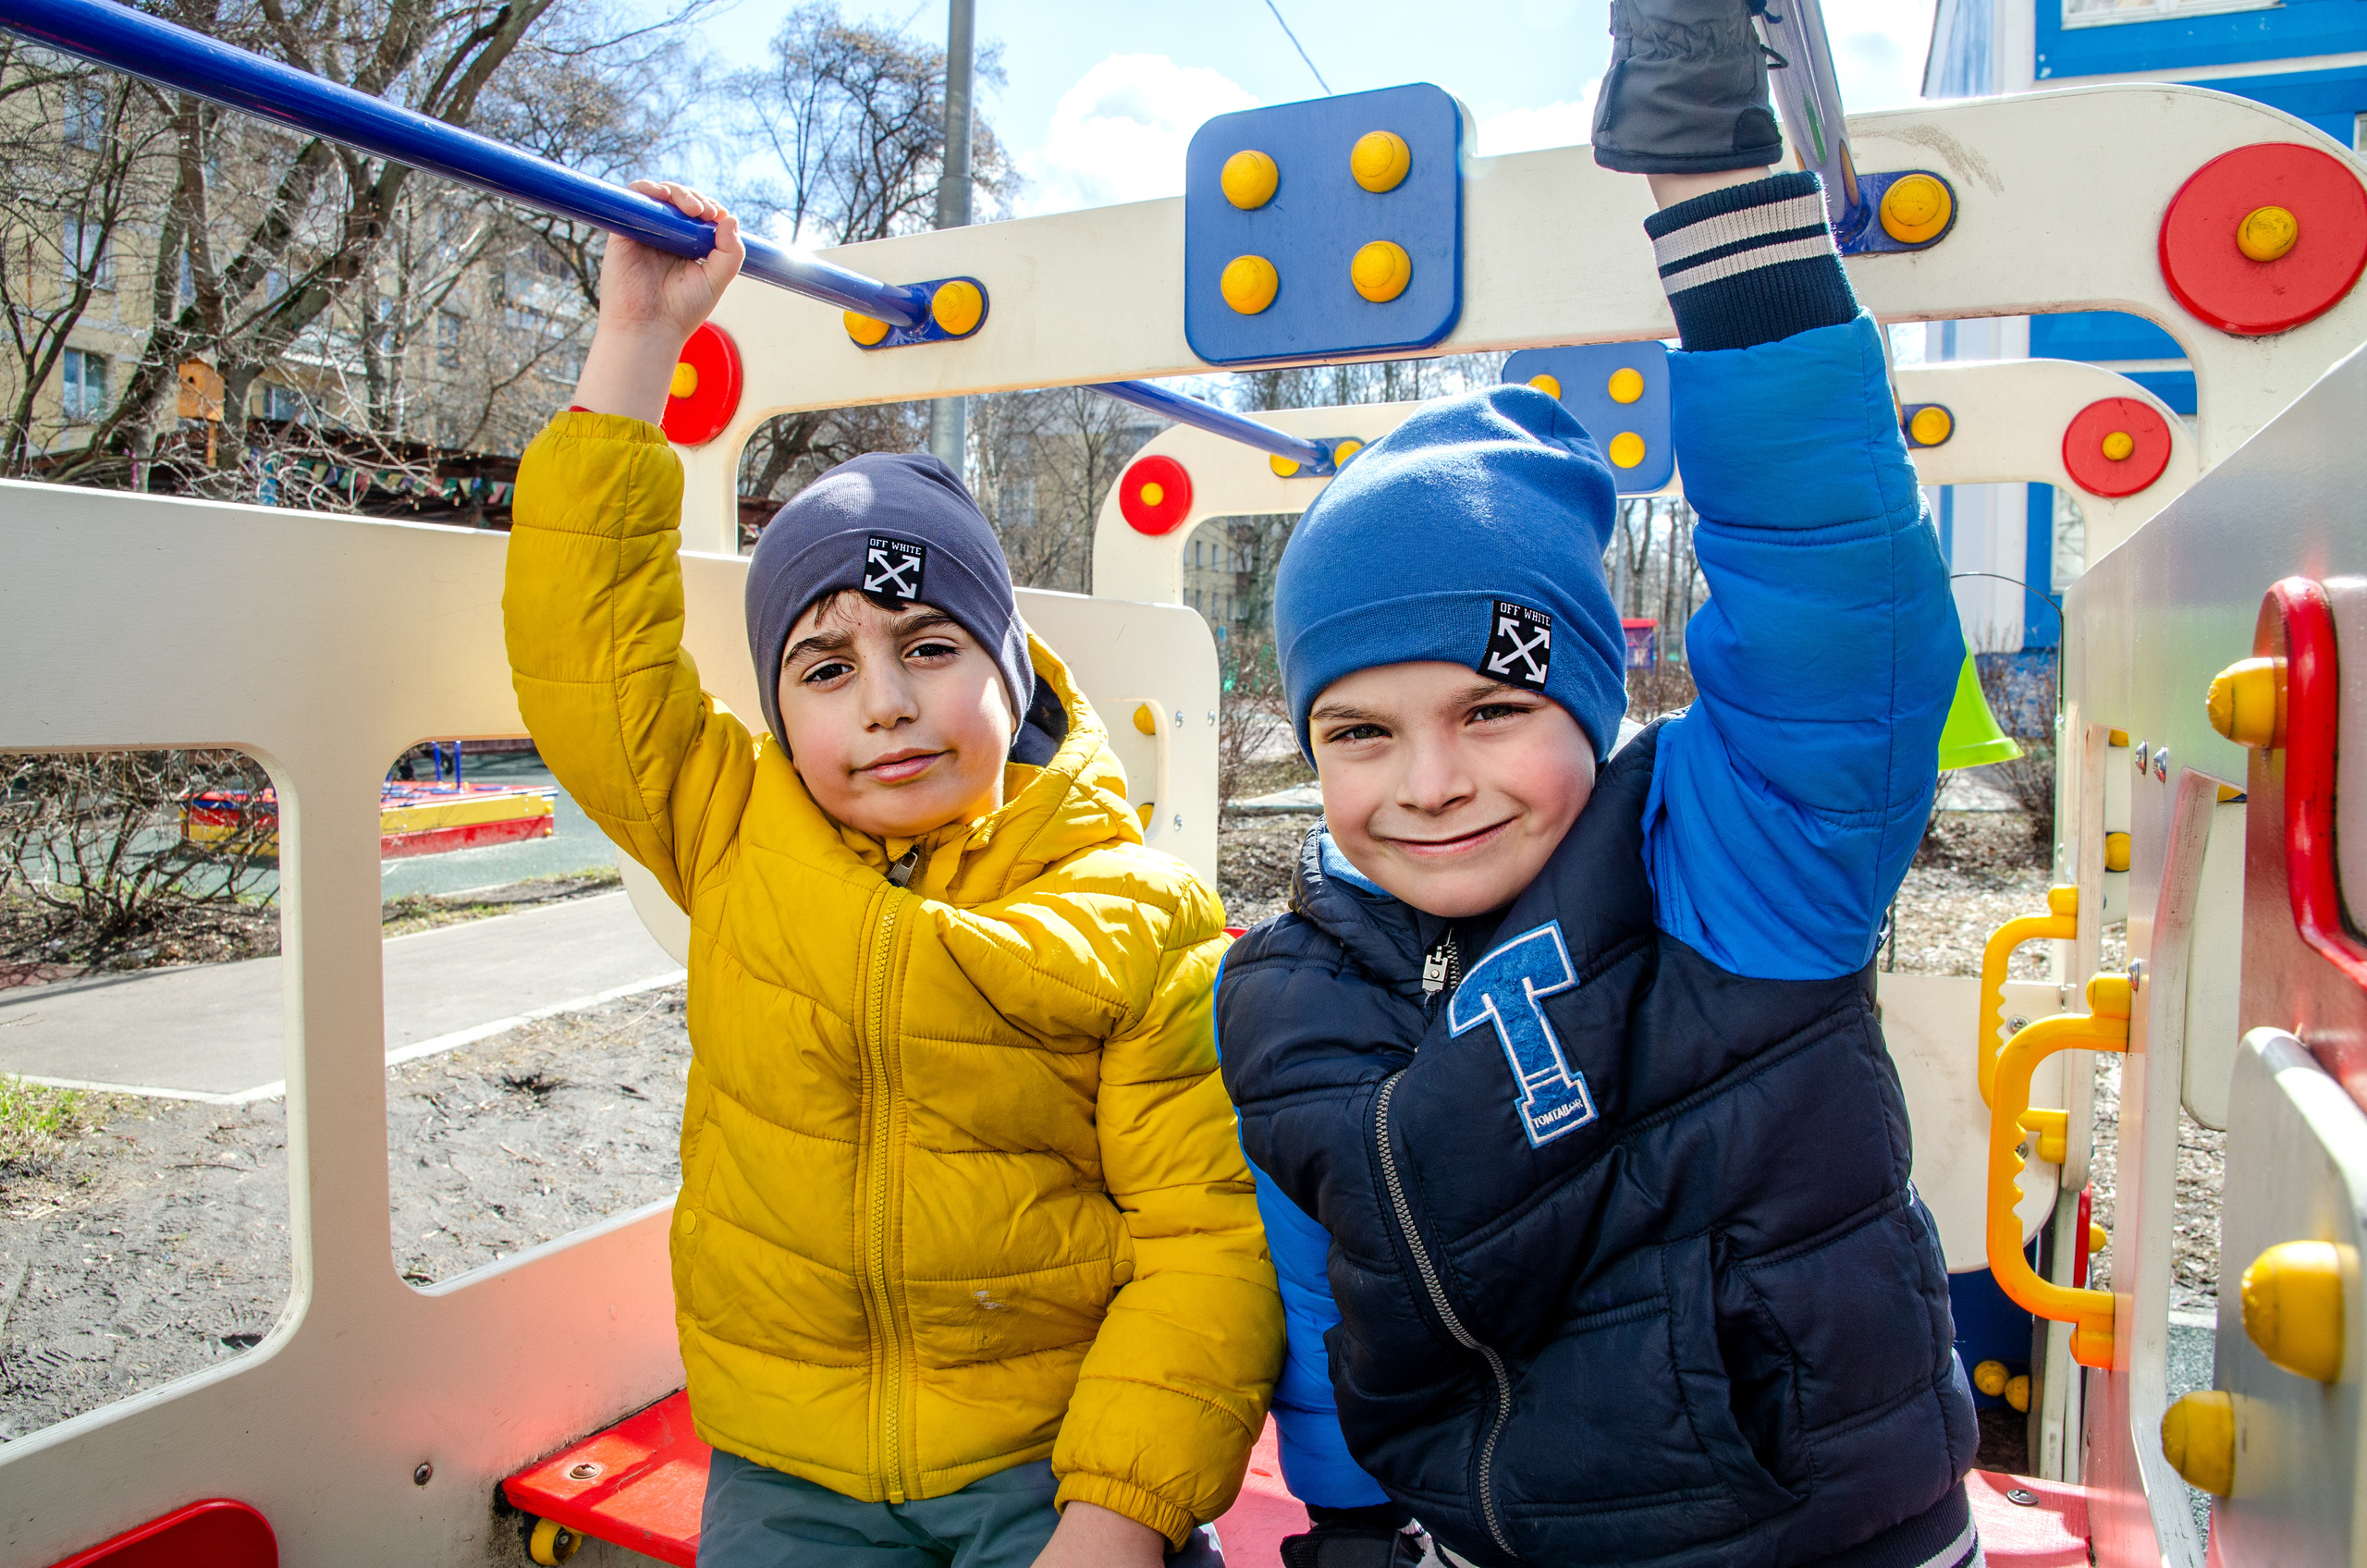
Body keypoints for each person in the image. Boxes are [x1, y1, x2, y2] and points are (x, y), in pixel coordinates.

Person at [1215, 4, 1980, 1566]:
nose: (1427, 783)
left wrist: (1709, 187)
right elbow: (1319, 1287)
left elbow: (1835, 584)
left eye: (1492, 709)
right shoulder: (1286, 989)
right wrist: (1352, 1521)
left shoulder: (1726, 871)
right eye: (1357, 733)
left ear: (1592, 693)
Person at [505, 181, 1282, 1568]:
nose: (883, 703)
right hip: (790, 1462)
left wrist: (1116, 1516)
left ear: (1012, 668)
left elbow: (1203, 1238)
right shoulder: (738, 830)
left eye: (930, 646)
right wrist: (635, 344)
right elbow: (589, 662)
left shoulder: (1135, 914)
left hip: (1049, 1458)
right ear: (779, 709)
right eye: (824, 666)